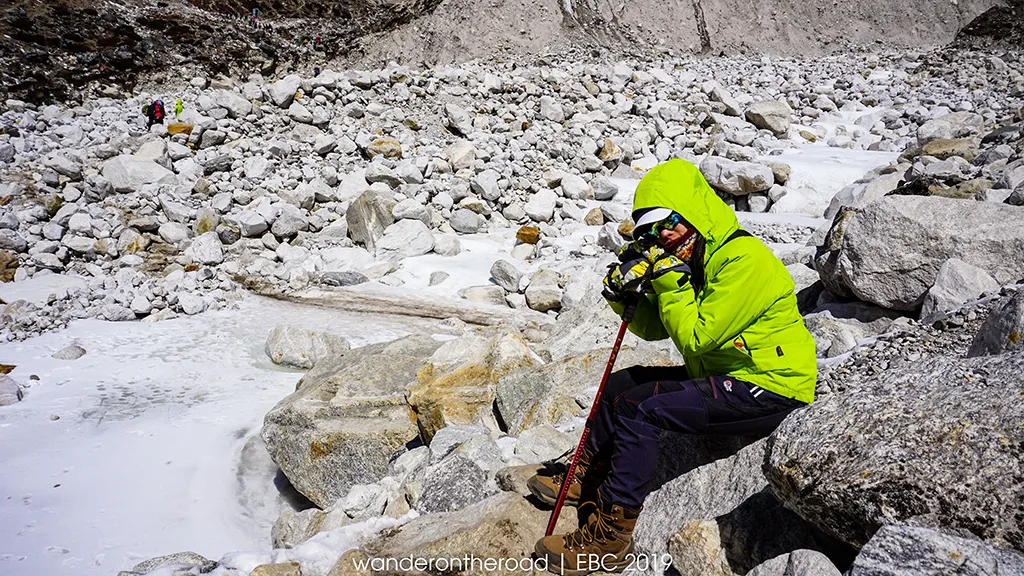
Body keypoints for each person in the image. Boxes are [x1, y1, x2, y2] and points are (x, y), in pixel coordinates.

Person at [530, 158, 817, 575]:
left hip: (772, 388)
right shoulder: (694, 258)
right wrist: (624, 295)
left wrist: (667, 278)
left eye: (667, 222)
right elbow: (652, 329)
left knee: (643, 408)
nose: (662, 236)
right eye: (649, 230)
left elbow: (695, 337)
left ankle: (611, 537)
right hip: (728, 376)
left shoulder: (744, 260)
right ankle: (583, 475)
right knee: (621, 384)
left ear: (693, 214)